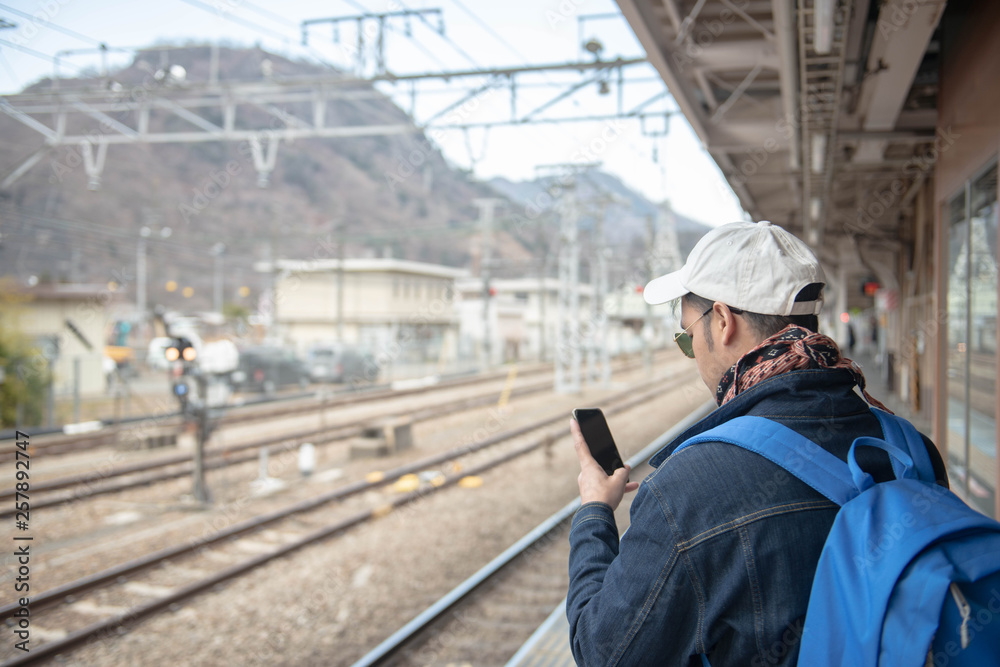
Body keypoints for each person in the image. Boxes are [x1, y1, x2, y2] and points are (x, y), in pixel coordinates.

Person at [566, 220, 947, 666]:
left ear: (723, 321)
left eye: (688, 338)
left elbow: (603, 652)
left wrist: (594, 512)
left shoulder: (688, 491)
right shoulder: (910, 446)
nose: (694, 355)